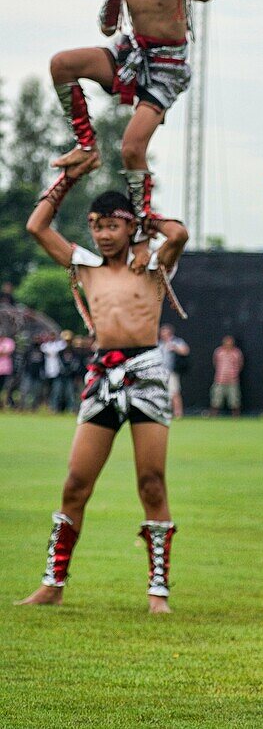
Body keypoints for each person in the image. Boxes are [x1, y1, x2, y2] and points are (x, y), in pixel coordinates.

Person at [16, 167, 188, 613]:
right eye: (96, 226)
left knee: (151, 483)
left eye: (112, 225)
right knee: (75, 483)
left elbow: (180, 233)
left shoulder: (151, 265)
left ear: (128, 225)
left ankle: (158, 592)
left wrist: (146, 225)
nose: (103, 234)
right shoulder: (85, 265)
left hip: (147, 372)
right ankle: (53, 582)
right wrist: (68, 180)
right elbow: (37, 226)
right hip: (101, 374)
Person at [49, 0, 211, 238]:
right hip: (131, 53)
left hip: (167, 66)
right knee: (62, 64)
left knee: (131, 148)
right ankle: (87, 146)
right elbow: (108, 28)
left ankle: (142, 219)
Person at [159, 324, 190, 419]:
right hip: (160, 372)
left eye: (164, 332)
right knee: (161, 392)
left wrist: (175, 348)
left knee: (174, 392)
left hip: (172, 372)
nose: (162, 334)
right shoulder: (159, 344)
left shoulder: (176, 341)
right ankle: (164, 413)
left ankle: (178, 413)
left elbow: (186, 351)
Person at [210, 334, 244, 418]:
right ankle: (213, 417)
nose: (228, 344)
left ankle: (236, 418)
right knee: (216, 401)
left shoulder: (237, 353)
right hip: (219, 380)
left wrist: (234, 374)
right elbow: (215, 363)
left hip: (233, 381)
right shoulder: (218, 352)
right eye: (227, 342)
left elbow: (240, 364)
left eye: (230, 342)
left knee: (235, 401)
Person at [0, 334, 15, 408]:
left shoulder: (9, 342)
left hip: (6, 370)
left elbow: (7, 352)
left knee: (6, 388)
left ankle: (5, 404)